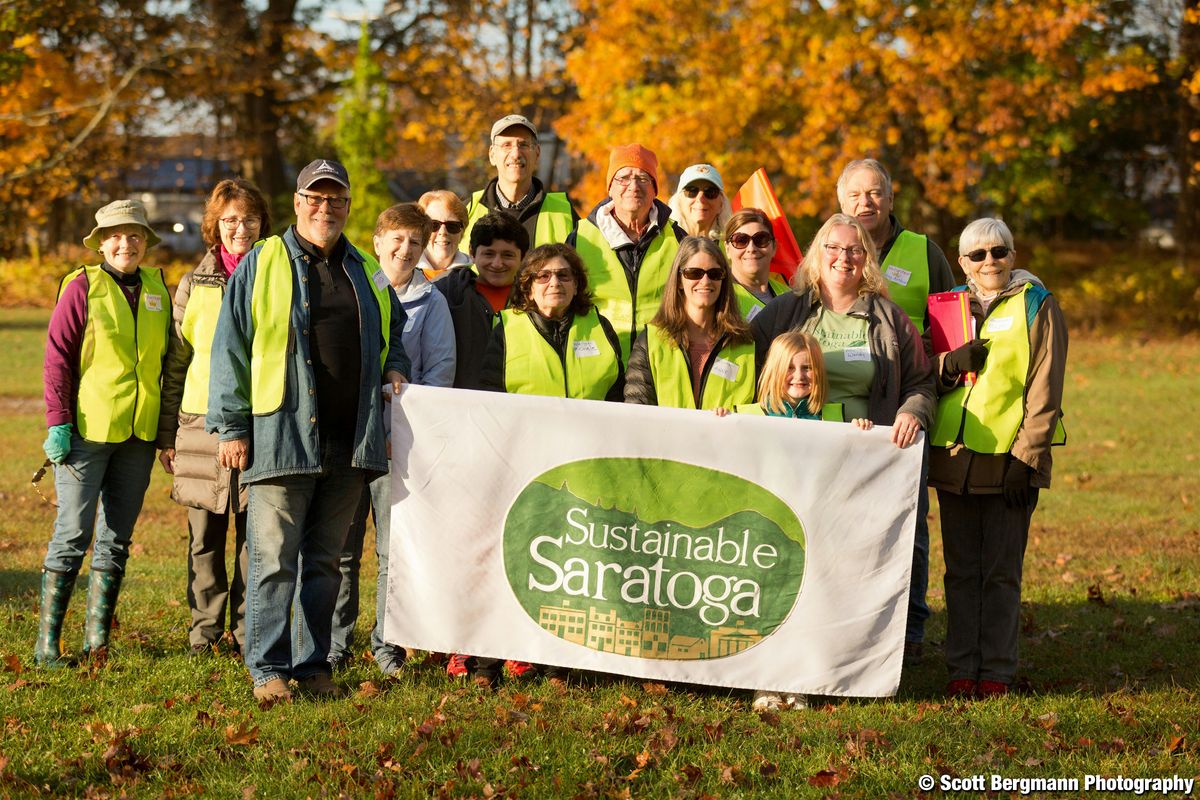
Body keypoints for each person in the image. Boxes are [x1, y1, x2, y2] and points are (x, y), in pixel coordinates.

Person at [207, 158, 409, 703]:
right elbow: (231, 345)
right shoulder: (263, 261)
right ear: (297, 204)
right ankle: (268, 667)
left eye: (336, 199)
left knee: (325, 562)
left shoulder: (366, 268)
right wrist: (231, 426)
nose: (326, 208)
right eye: (315, 199)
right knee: (273, 561)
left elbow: (395, 334)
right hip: (280, 435)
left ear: (347, 205)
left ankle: (312, 663)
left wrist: (397, 368)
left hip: (351, 439)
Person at [928, 218, 1067, 699]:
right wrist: (949, 365)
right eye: (978, 255)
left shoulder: (1037, 304)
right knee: (961, 571)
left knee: (1001, 573)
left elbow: (1045, 388)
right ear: (962, 262)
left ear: (1013, 254)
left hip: (1009, 463)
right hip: (955, 459)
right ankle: (962, 667)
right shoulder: (947, 305)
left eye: (999, 252)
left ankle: (997, 672)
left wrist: (1026, 459)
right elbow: (927, 373)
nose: (990, 262)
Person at [36, 199, 170, 666]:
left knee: (116, 538)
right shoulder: (81, 287)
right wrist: (58, 423)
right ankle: (47, 645)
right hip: (86, 434)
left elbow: (168, 361)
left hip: (139, 435)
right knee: (72, 533)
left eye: (134, 236)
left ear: (144, 242)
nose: (125, 244)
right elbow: (57, 358)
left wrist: (166, 432)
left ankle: (98, 644)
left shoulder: (158, 288)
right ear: (100, 243)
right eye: (115, 235)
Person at [837, 159, 956, 662]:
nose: (866, 203)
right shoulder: (833, 245)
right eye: (857, 195)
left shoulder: (923, 252)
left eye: (876, 193)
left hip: (907, 400)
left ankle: (909, 630)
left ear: (890, 198)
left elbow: (954, 322)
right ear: (842, 201)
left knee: (909, 521)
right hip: (846, 408)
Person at [331, 203, 456, 675]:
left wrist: (401, 430)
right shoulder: (352, 286)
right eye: (397, 240)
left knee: (393, 553)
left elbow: (439, 374)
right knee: (341, 549)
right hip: (349, 442)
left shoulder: (434, 301)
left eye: (416, 243)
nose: (406, 250)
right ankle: (334, 643)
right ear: (378, 240)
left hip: (400, 447)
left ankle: (388, 645)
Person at [156, 178, 272, 658]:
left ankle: (248, 633)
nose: (239, 228)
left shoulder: (276, 274)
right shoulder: (193, 283)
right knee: (203, 537)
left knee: (255, 537)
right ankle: (204, 633)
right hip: (198, 426)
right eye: (229, 220)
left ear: (262, 223)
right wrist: (167, 434)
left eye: (248, 219)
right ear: (215, 226)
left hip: (262, 421)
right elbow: (177, 362)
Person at [751, 213, 934, 447]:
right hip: (793, 448)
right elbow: (744, 361)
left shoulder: (890, 319)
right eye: (833, 247)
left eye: (854, 250)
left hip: (865, 451)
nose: (843, 258)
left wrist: (912, 412)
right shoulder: (785, 310)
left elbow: (921, 383)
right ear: (818, 253)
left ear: (866, 258)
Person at [569, 143, 684, 362]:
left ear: (654, 189)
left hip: (660, 361)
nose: (633, 186)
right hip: (596, 361)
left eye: (642, 178)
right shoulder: (580, 237)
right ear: (610, 188)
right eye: (623, 178)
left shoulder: (678, 238)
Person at [624, 237, 756, 409]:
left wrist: (732, 416)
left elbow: (763, 408)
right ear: (679, 280)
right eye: (694, 273)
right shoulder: (650, 341)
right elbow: (637, 411)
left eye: (715, 274)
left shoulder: (747, 344)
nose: (705, 281)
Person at [482, 243, 624, 400]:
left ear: (576, 285)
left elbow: (617, 393)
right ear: (529, 288)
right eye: (543, 276)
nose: (555, 283)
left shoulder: (600, 326)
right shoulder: (506, 329)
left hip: (592, 424)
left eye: (563, 275)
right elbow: (491, 396)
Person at [435, 210, 529, 389]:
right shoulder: (445, 295)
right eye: (488, 254)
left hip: (518, 409)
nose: (497, 263)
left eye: (508, 255)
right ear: (472, 251)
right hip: (462, 408)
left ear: (523, 257)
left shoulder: (536, 301)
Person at [460, 114, 577, 252]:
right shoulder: (466, 212)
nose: (515, 154)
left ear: (537, 154)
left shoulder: (565, 213)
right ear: (492, 155)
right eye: (506, 145)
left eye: (523, 145)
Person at [718, 331, 873, 427]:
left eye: (807, 367)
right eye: (789, 367)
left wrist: (859, 433)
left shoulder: (836, 417)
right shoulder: (745, 416)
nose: (799, 376)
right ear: (774, 371)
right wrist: (719, 422)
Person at [724, 208, 790, 322]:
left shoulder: (790, 296)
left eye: (761, 239)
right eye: (740, 240)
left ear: (774, 247)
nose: (751, 248)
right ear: (727, 249)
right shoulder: (717, 294)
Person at [416, 190, 471, 281]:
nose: (443, 232)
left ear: (462, 233)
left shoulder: (473, 282)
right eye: (433, 225)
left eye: (452, 226)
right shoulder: (394, 271)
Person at [667, 163, 731, 240]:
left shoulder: (733, 247)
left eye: (710, 192)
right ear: (679, 202)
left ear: (721, 203)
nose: (701, 199)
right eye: (692, 191)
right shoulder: (662, 241)